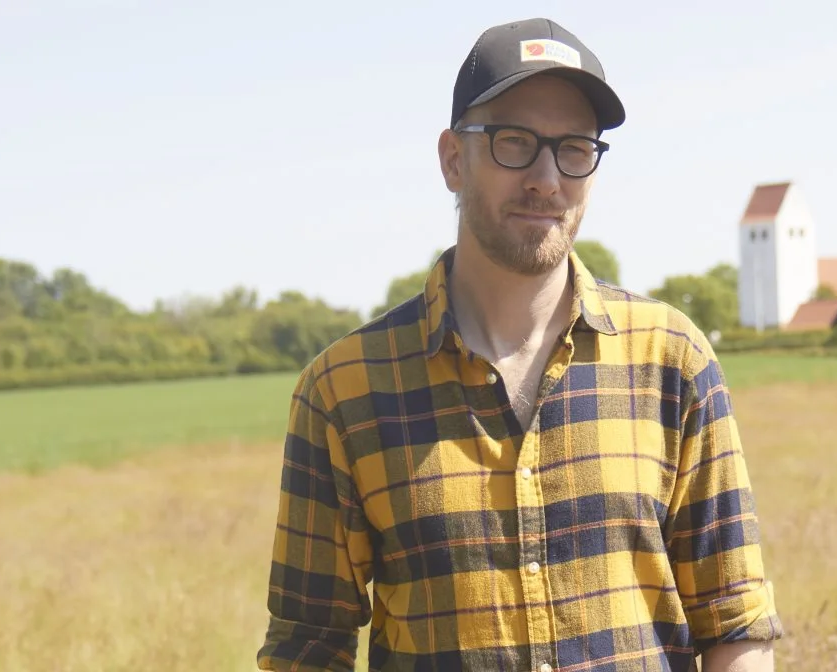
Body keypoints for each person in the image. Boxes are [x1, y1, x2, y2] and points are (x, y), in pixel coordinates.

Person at [256, 17, 783, 672]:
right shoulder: (345, 392)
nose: (546, 178)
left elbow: (735, 626)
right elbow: (308, 647)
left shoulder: (671, 359)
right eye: (514, 142)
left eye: (573, 148)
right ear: (453, 158)